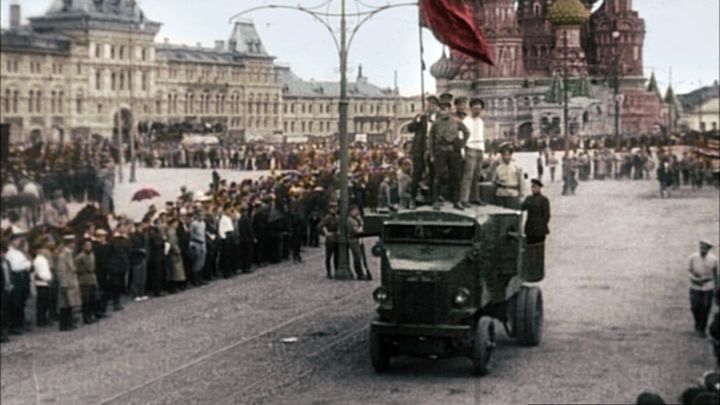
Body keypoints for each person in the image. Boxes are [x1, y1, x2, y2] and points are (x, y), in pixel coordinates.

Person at [428, 93, 469, 210]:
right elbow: (430, 139)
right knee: (438, 177)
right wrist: (431, 153)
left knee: (456, 177)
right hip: (440, 152)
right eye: (442, 108)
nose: (444, 110)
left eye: (447, 107)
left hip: (453, 152)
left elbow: (467, 133)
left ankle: (457, 201)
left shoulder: (456, 121)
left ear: (450, 109)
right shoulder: (436, 123)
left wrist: (461, 143)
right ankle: (435, 200)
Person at [407, 95, 439, 209]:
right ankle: (412, 199)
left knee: (433, 175)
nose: (430, 107)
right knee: (417, 174)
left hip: (433, 150)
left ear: (436, 107)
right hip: (420, 149)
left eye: (433, 104)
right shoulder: (421, 118)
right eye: (429, 104)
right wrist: (417, 120)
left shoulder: (439, 119)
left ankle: (433, 199)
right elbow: (410, 129)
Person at [688, 240, 719, 337]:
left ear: (708, 249)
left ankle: (702, 328)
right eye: (701, 247)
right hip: (695, 285)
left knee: (705, 307)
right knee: (695, 307)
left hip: (708, 285)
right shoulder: (693, 257)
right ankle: (697, 323)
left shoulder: (714, 259)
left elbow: (716, 274)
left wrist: (716, 289)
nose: (702, 250)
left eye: (705, 248)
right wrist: (694, 278)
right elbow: (689, 271)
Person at [460, 98, 486, 208]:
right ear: (470, 109)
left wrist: (483, 151)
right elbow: (462, 137)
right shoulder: (466, 121)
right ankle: (464, 199)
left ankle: (475, 198)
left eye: (479, 109)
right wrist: (462, 152)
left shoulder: (481, 122)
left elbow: (482, 137)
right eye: (475, 108)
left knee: (476, 175)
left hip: (479, 149)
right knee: (468, 176)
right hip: (469, 148)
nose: (477, 110)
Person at [5, 229, 31, 334]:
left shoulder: (19, 253)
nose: (19, 242)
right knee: (16, 303)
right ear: (11, 241)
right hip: (16, 278)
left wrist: (26, 265)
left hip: (23, 278)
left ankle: (20, 323)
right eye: (17, 240)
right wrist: (26, 265)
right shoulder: (10, 253)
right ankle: (15, 325)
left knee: (22, 302)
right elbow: (15, 267)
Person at [55, 233, 81, 331]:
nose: (74, 245)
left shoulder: (69, 254)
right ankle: (64, 324)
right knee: (64, 304)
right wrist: (63, 284)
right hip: (66, 283)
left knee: (70, 304)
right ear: (69, 244)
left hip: (71, 282)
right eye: (72, 243)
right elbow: (61, 270)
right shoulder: (63, 255)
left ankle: (69, 322)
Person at [75, 238, 99, 325]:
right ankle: (86, 317)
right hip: (84, 279)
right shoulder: (80, 257)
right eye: (87, 245)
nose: (89, 247)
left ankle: (91, 315)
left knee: (93, 298)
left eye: (90, 245)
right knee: (86, 300)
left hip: (92, 278)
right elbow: (76, 268)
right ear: (83, 246)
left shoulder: (92, 255)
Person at [521, 179, 551, 245]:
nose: (533, 189)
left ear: (539, 188)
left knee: (539, 248)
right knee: (530, 247)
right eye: (532, 187)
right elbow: (522, 208)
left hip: (540, 230)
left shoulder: (544, 200)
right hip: (530, 228)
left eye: (535, 187)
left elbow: (547, 215)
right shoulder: (529, 198)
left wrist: (541, 225)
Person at [33, 240, 54, 327]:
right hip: (41, 283)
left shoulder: (44, 259)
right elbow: (37, 273)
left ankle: (44, 319)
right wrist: (45, 279)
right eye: (41, 249)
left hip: (46, 283)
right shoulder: (37, 260)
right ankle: (40, 321)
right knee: (41, 304)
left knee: (45, 303)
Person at [319, 202, 339, 279]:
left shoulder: (338, 217)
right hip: (330, 239)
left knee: (336, 256)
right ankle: (329, 272)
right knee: (328, 257)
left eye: (335, 208)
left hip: (337, 238)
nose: (334, 209)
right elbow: (321, 226)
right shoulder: (327, 218)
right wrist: (326, 233)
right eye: (333, 208)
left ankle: (336, 270)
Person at [188, 208, 207, 284]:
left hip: (203, 243)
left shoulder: (203, 223)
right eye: (200, 215)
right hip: (196, 243)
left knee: (202, 261)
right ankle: (195, 280)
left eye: (203, 215)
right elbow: (191, 234)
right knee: (196, 262)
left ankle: (200, 278)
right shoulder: (193, 224)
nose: (202, 216)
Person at [347, 205, 365, 280]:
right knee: (357, 257)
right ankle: (359, 273)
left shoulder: (357, 219)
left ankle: (361, 273)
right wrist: (360, 227)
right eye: (355, 210)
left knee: (360, 257)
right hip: (353, 240)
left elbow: (362, 225)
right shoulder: (350, 220)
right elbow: (356, 230)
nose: (357, 212)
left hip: (359, 239)